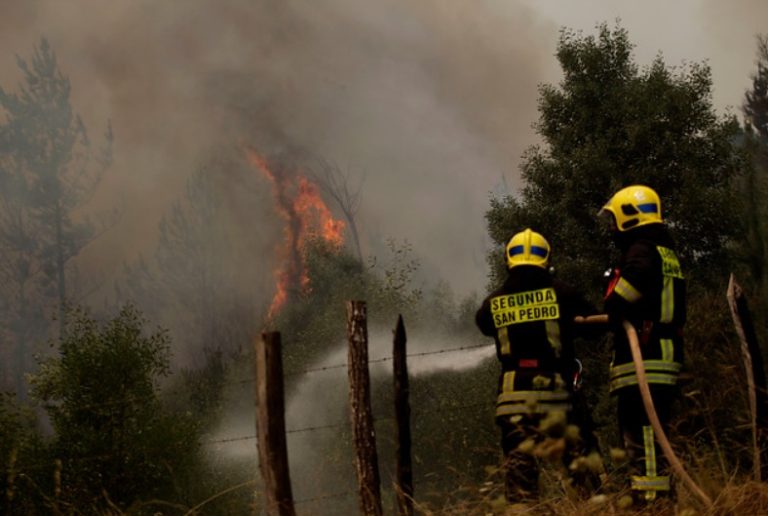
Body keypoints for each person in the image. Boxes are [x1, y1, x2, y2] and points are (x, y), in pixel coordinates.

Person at [476, 228, 597, 504]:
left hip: (513, 400)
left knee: (520, 477)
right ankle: (590, 508)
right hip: (557, 396)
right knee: (579, 465)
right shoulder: (563, 293)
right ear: (545, 258)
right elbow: (591, 324)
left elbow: (483, 324)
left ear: (509, 260)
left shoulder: (493, 302)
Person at [598, 184, 686, 504]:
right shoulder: (666, 250)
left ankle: (651, 504)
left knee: (645, 439)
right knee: (654, 438)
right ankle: (657, 500)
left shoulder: (642, 251)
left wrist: (612, 296)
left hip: (645, 359)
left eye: (614, 219)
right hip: (662, 355)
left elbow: (622, 298)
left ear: (629, 218)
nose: (611, 228)